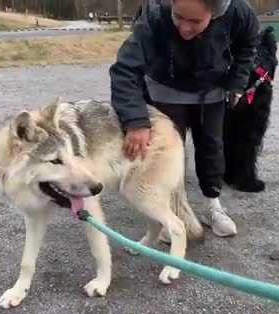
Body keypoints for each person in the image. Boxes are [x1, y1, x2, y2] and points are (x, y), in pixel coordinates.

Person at [109, 0, 260, 237]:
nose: (185, 28)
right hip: (165, 87)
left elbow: (248, 46)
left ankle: (213, 206)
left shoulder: (240, 13)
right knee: (168, 155)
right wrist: (136, 120)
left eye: (195, 21)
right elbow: (125, 69)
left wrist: (237, 82)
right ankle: (171, 211)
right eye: (178, 16)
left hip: (211, 89)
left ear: (216, 12)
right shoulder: (155, 13)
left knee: (212, 147)